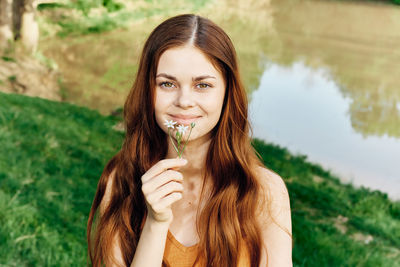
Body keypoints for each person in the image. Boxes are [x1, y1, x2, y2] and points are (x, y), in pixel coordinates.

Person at [87, 14, 292, 267]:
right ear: (147, 90)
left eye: (202, 85)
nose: (184, 101)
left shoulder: (265, 192)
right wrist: (156, 222)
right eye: (167, 84)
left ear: (227, 93)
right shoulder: (121, 179)